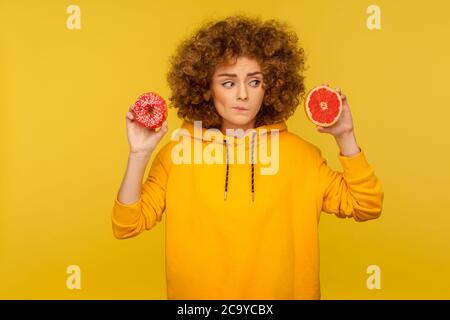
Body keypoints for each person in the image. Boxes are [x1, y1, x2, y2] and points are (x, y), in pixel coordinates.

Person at [112, 15, 384, 300]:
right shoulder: (177, 155)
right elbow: (126, 225)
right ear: (205, 88)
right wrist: (139, 154)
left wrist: (345, 136)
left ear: (272, 86)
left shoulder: (302, 156)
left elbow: (366, 205)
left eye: (254, 82)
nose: (243, 94)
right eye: (228, 83)